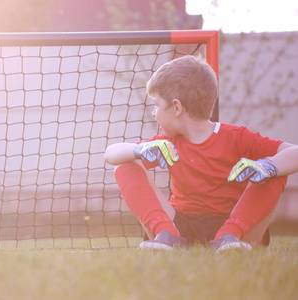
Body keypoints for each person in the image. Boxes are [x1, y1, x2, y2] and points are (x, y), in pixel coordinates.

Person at [104, 55, 298, 251]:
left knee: (275, 173)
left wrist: (267, 166)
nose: (154, 113)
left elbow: (294, 152)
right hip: (180, 226)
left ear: (177, 107)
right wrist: (138, 150)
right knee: (126, 164)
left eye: (157, 105)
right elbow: (111, 154)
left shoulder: (236, 137)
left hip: (234, 227)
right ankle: (166, 236)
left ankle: (228, 240)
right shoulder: (166, 143)